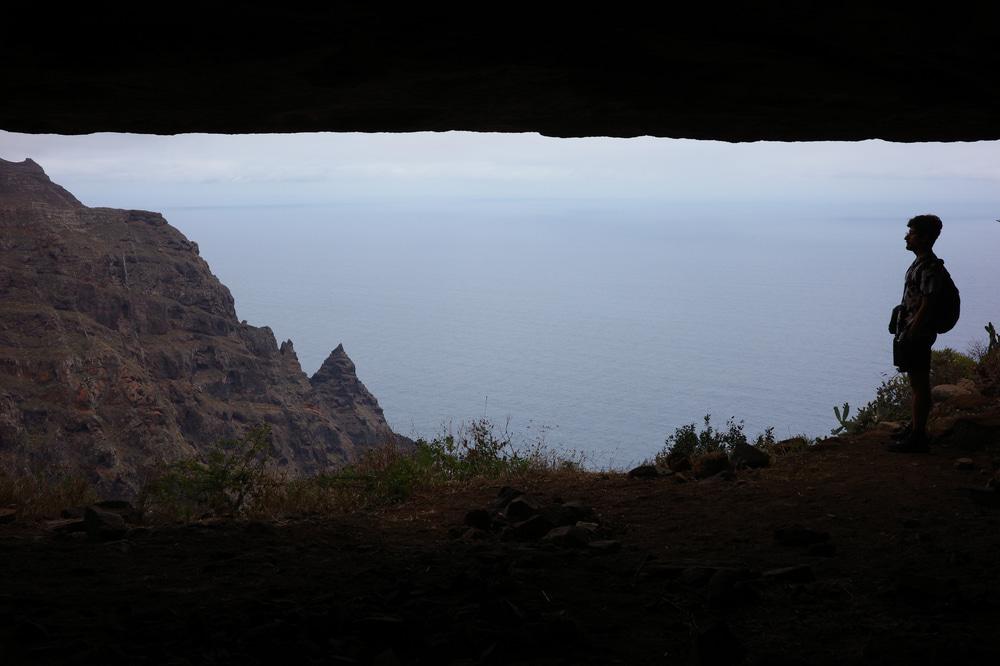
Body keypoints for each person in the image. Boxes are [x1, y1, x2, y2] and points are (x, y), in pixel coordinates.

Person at [887, 214, 945, 453]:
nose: (906, 237)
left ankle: (918, 437)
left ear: (924, 237)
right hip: (913, 330)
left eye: (911, 233)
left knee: (919, 383)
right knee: (915, 382)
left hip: (918, 333)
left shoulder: (930, 266)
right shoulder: (921, 263)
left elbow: (928, 302)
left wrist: (913, 329)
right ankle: (914, 428)